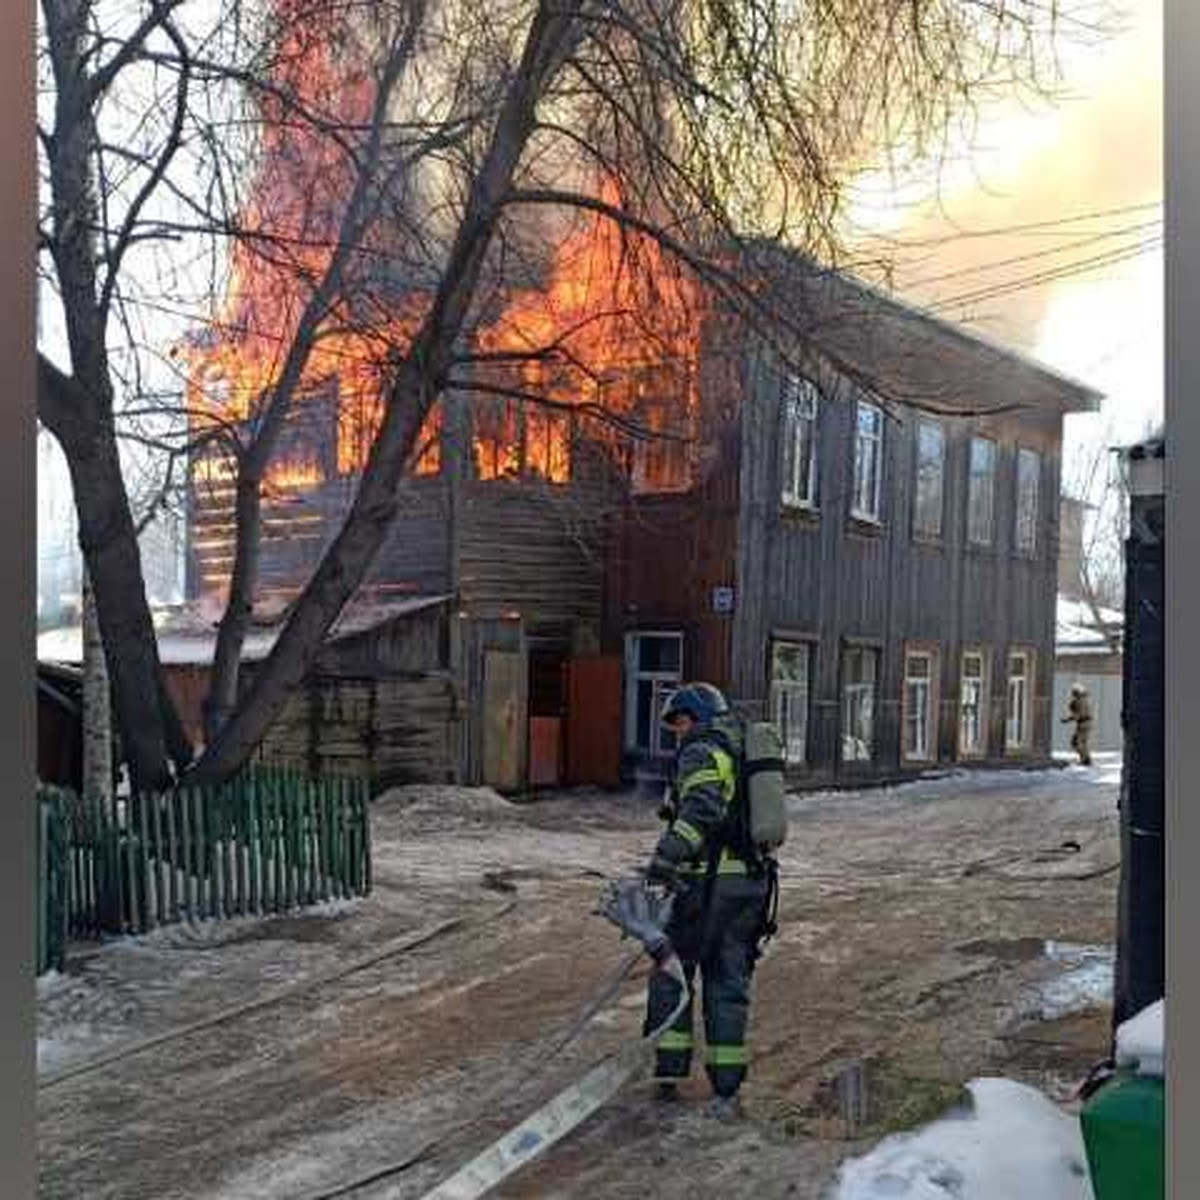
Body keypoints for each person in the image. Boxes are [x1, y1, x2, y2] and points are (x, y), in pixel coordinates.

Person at [643, 682, 770, 1120]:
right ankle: (727, 1085)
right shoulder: (738, 749)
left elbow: (701, 810)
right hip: (749, 885)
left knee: (671, 973)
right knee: (727, 981)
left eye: (679, 722)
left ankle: (670, 1073)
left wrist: (666, 858)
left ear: (695, 715)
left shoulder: (702, 750)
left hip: (705, 886)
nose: (678, 732)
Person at [1061, 682, 1094, 766]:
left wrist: (1067, 720)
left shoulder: (1079, 701)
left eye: (1074, 693)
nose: (1073, 695)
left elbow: (1078, 715)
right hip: (1085, 723)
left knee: (1077, 742)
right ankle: (1085, 759)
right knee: (1081, 742)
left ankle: (1085, 760)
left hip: (1084, 723)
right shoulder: (1083, 699)